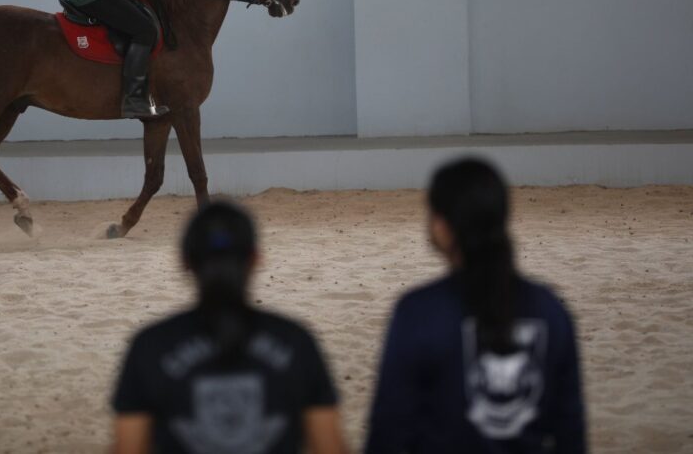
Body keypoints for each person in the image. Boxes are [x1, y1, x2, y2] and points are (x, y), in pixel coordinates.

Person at [364, 157, 587, 453]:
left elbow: (388, 431)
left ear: (442, 226)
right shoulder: (551, 311)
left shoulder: (418, 313)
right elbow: (570, 431)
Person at [111, 201, 347, 454]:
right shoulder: (297, 342)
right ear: (256, 258)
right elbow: (329, 447)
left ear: (185, 262)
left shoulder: (149, 346)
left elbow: (128, 447)